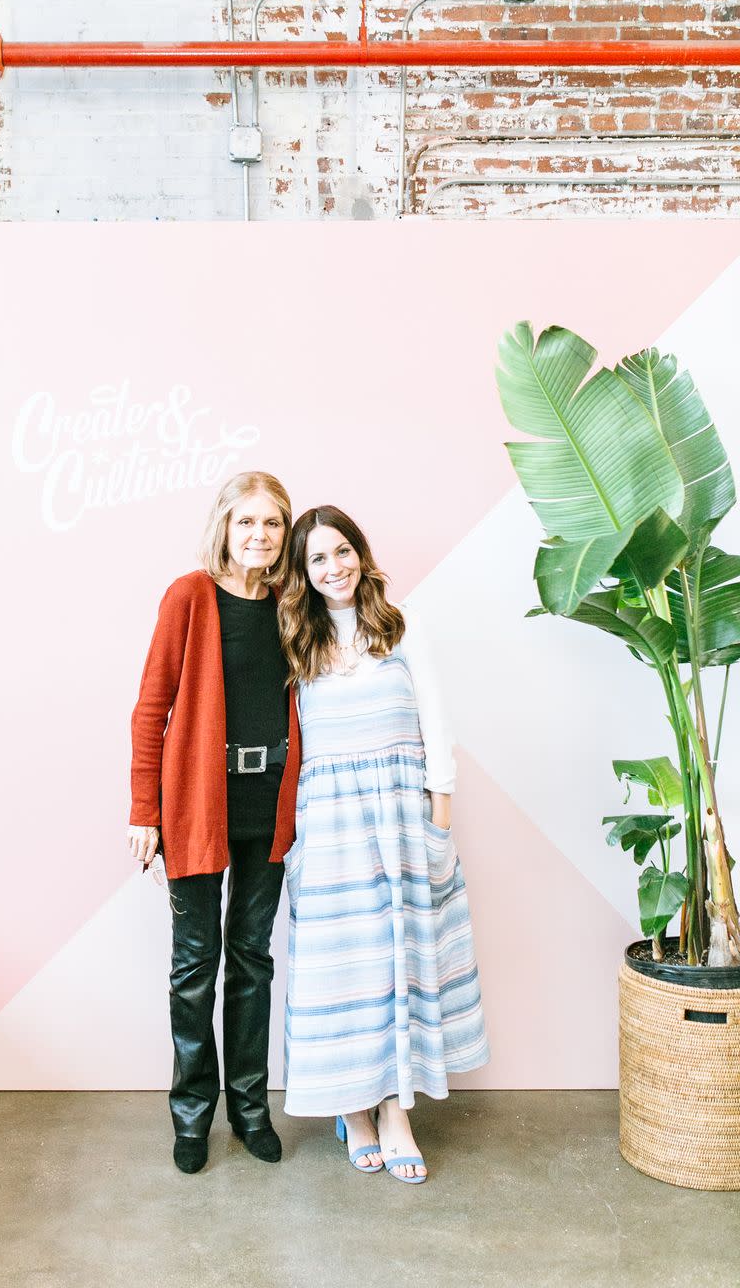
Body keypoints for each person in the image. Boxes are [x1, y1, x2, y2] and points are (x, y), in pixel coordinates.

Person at [278, 506, 489, 1183]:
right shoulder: (295, 644)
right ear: (303, 574)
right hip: (331, 828)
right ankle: (356, 1110)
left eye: (342, 551)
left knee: (400, 965)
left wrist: (441, 818)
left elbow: (436, 719)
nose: (333, 567)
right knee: (349, 972)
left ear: (360, 555)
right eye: (317, 559)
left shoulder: (400, 627)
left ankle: (397, 1111)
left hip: (402, 819)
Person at [128, 471, 301, 1175]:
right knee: (195, 964)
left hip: (270, 803)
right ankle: (193, 1116)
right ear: (224, 527)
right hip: (198, 802)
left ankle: (251, 1108)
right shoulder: (189, 597)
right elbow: (151, 709)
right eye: (247, 522)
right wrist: (145, 811)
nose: (259, 536)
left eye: (273, 524)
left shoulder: (297, 603)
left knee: (253, 961)